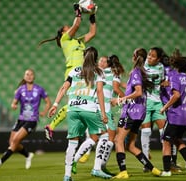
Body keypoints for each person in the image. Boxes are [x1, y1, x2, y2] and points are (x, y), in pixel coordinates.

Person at [38, 3, 97, 145]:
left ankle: (52, 127)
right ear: (63, 33)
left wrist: (93, 15)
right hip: (73, 72)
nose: (70, 29)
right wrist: (78, 11)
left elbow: (92, 33)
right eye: (67, 28)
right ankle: (52, 126)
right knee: (74, 103)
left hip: (84, 73)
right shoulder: (65, 40)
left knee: (80, 103)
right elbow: (76, 25)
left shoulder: (79, 41)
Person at [48, 46, 107, 181]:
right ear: (96, 58)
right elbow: (99, 92)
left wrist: (55, 104)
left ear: (83, 56)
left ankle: (67, 176)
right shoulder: (98, 72)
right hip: (89, 109)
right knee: (104, 136)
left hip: (73, 109)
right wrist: (103, 113)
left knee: (72, 143)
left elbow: (64, 87)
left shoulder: (74, 71)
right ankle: (97, 168)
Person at [71, 55, 125, 179]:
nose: (101, 61)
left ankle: (75, 160)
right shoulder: (111, 73)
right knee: (110, 137)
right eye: (100, 59)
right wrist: (125, 100)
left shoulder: (94, 72)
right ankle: (99, 167)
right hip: (103, 108)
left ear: (108, 63)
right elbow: (116, 88)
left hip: (93, 108)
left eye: (104, 60)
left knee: (95, 138)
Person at [111, 48, 161, 179]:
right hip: (140, 113)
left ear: (135, 57)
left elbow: (138, 92)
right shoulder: (142, 72)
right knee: (130, 146)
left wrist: (121, 99)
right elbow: (132, 88)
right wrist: (118, 84)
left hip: (131, 112)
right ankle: (153, 169)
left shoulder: (136, 72)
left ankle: (123, 172)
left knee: (118, 140)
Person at [0, 69, 51, 169]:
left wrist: (44, 112)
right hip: (21, 119)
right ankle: (28, 155)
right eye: (27, 74)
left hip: (32, 120)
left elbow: (48, 102)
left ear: (34, 76)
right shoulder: (20, 89)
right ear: (24, 77)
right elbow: (13, 102)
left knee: (15, 141)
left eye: (31, 74)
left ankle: (1, 160)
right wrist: (13, 105)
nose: (29, 76)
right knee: (12, 143)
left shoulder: (39, 89)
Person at [160, 54, 186, 176]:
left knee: (166, 141)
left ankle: (166, 171)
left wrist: (165, 107)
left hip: (176, 115)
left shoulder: (175, 76)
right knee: (177, 139)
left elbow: (176, 95)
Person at [140, 47, 166, 172]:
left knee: (164, 132)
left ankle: (169, 160)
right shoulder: (144, 65)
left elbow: (160, 80)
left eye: (152, 56)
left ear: (159, 59)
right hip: (145, 102)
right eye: (149, 54)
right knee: (146, 132)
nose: (149, 57)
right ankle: (146, 162)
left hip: (157, 102)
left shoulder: (161, 67)